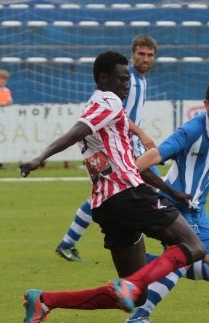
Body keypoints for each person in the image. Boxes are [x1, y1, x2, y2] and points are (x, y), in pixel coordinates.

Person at [19, 50, 206, 323]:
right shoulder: (108, 101)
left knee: (137, 296)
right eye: (121, 78)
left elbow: (130, 164)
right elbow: (76, 131)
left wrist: (171, 192)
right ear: (103, 78)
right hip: (128, 195)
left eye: (128, 78)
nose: (126, 84)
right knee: (194, 247)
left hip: (108, 206)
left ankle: (44, 301)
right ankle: (131, 284)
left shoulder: (102, 114)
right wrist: (40, 157)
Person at [123, 78, 209, 323]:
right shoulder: (191, 130)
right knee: (183, 257)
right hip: (173, 204)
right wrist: (128, 170)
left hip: (198, 209)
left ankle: (144, 262)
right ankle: (138, 317)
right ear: (206, 104)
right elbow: (158, 154)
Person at [55, 34, 159, 262]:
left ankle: (68, 242)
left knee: (127, 196)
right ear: (132, 55)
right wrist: (140, 133)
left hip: (132, 149)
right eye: (141, 54)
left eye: (149, 55)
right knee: (139, 195)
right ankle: (159, 250)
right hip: (121, 149)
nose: (145, 59)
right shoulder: (125, 78)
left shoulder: (141, 81)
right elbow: (116, 111)